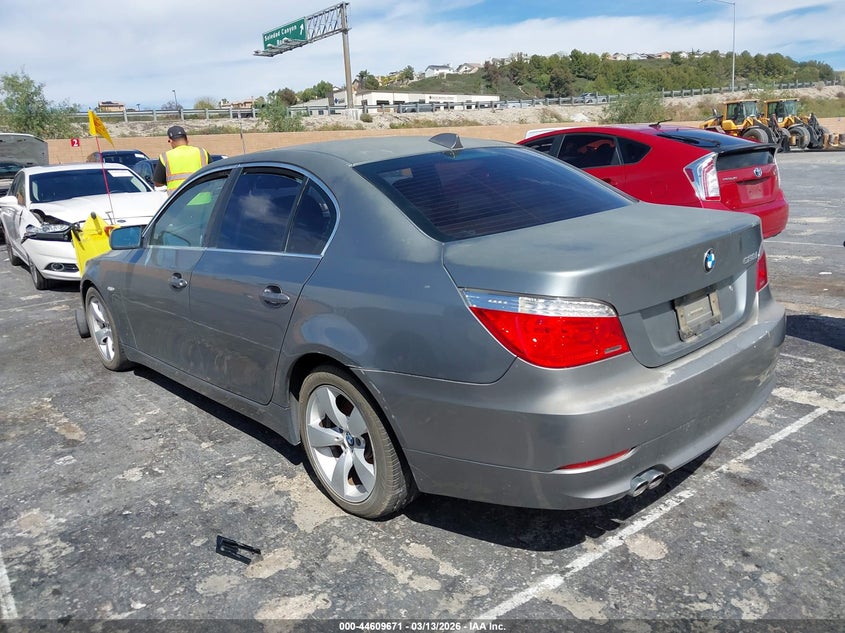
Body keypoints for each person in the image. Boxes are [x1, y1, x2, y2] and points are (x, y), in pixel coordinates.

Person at [153, 125, 210, 194]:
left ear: (170, 141)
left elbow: (158, 183)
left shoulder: (165, 156)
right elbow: (214, 173)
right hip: (204, 199)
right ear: (187, 140)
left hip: (179, 201)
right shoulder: (202, 152)